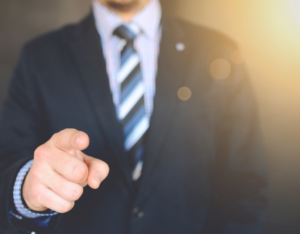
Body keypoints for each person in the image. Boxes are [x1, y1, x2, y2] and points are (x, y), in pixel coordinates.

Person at [0, 0, 268, 233]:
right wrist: (26, 189)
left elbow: (246, 184)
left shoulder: (218, 51)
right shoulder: (39, 59)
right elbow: (7, 162)